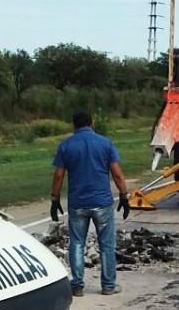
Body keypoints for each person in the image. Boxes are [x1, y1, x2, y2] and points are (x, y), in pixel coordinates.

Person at [50, 110, 130, 297]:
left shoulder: (65, 146)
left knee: (77, 243)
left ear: (73, 126)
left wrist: (54, 199)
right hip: (102, 202)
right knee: (106, 244)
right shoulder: (105, 143)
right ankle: (108, 285)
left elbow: (59, 175)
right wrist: (124, 195)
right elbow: (117, 174)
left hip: (78, 203)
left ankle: (77, 285)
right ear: (92, 123)